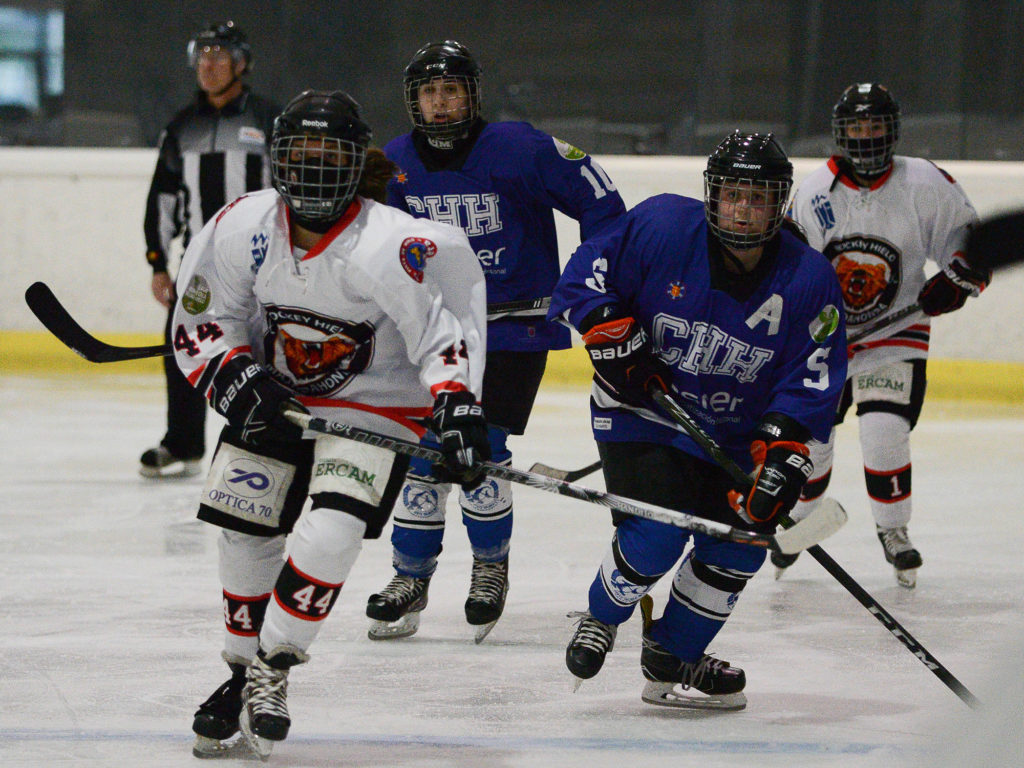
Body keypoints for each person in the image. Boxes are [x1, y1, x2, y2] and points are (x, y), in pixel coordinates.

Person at [173, 90, 487, 758]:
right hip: (276, 396)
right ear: (277, 160)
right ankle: (238, 673)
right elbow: (205, 320)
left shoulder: (389, 244)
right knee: (243, 523)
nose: (314, 171)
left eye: (330, 156)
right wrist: (234, 375)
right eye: (301, 156)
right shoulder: (243, 227)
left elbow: (441, 334)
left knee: (332, 532)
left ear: (356, 163)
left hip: (372, 407)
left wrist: (457, 404)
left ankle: (270, 669)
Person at [548, 132, 847, 710]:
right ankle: (602, 615)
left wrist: (782, 456)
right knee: (660, 530)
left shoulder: (809, 279)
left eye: (757, 199)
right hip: (643, 411)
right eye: (733, 194)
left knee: (741, 544)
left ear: (779, 203)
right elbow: (584, 278)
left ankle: (671, 657)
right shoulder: (661, 226)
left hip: (733, 434)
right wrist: (606, 324)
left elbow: (808, 383)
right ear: (712, 195)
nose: (742, 209)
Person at [365, 40, 626, 642]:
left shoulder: (523, 148)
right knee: (423, 454)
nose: (441, 102)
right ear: (414, 102)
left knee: (480, 447)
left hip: (516, 328)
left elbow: (603, 205)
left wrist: (594, 281)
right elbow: (375, 245)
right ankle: (411, 576)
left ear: (472, 94)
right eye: (429, 92)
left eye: (451, 89)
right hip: (436, 332)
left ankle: (489, 566)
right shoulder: (396, 161)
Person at [783, 83, 989, 588]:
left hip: (897, 330)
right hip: (823, 341)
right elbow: (787, 269)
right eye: (857, 128)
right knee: (810, 445)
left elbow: (968, 239)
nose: (867, 137)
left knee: (884, 430)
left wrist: (958, 278)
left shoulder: (923, 182)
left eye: (875, 127)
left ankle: (893, 531)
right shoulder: (813, 193)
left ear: (892, 130)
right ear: (841, 134)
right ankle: (798, 520)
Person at [139, 20, 281, 478]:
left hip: (261, 264)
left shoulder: (268, 120)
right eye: (202, 55)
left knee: (266, 351)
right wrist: (159, 263)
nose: (208, 64)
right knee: (181, 348)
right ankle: (182, 442)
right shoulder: (181, 127)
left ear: (241, 64)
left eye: (220, 55)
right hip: (200, 266)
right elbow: (162, 199)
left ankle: (268, 438)